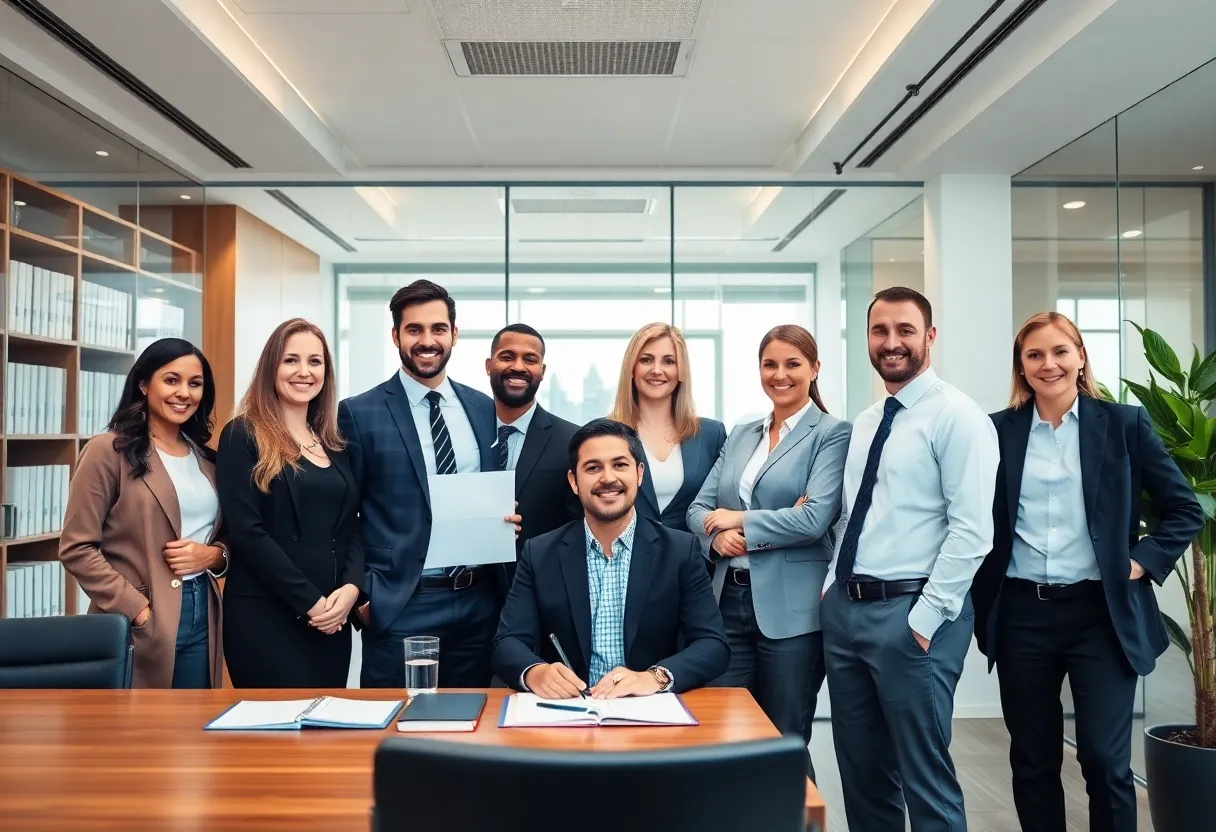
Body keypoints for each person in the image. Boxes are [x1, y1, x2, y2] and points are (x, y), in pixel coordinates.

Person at [972, 312, 1202, 832]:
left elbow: (1184, 509)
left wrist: (1142, 561)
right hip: (1020, 615)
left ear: (1080, 358)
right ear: (1021, 367)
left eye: (1059, 351)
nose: (1048, 364)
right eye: (1034, 355)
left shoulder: (1123, 424)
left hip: (1102, 614)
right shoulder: (994, 431)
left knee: (1103, 757)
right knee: (1032, 761)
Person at [820, 286, 999, 832]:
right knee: (862, 773)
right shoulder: (871, 419)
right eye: (880, 331)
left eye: (904, 331)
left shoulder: (957, 416)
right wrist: (831, 587)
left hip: (913, 611)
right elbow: (855, 514)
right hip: (848, 612)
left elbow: (973, 532)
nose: (892, 343)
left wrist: (923, 620)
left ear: (929, 337)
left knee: (925, 776)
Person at [339, 279, 521, 689]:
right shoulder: (359, 412)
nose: (427, 341)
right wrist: (365, 598)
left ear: (454, 335)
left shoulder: (482, 407)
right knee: (396, 728)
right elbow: (343, 514)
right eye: (414, 329)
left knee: (473, 729)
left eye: (438, 329)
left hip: (478, 601)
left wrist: (504, 517)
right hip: (402, 601)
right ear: (395, 336)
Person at [686, 325, 850, 779]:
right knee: (724, 735)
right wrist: (715, 536)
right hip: (728, 602)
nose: (780, 375)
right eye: (770, 364)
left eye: (793, 364)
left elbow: (815, 519)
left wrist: (738, 519)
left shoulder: (832, 434)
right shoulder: (742, 434)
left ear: (814, 369)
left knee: (784, 738)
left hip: (792, 611)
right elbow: (699, 509)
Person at [492, 418, 729, 698]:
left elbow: (713, 645)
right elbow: (507, 643)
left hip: (649, 712)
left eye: (620, 465)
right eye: (593, 468)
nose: (608, 478)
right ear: (574, 481)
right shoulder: (541, 553)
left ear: (639, 474)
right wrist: (535, 671)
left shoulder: (679, 550)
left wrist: (656, 677)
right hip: (568, 713)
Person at [60, 338, 227, 689]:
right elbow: (77, 548)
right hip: (139, 612)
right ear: (143, 384)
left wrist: (214, 556)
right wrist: (138, 609)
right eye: (171, 380)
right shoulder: (109, 450)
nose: (184, 393)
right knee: (138, 733)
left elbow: (221, 537)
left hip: (202, 611)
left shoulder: (206, 459)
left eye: (195, 384)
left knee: (192, 731)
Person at [216, 318, 364, 688]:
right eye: (291, 360)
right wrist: (310, 603)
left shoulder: (333, 442)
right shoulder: (242, 434)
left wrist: (351, 589)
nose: (304, 372)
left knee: (325, 734)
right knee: (275, 740)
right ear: (271, 367)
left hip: (332, 619)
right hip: (267, 616)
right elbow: (247, 533)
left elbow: (352, 525)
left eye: (315, 362)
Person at [610, 323, 726, 535]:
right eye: (646, 360)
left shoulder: (711, 434)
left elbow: (724, 503)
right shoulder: (604, 434)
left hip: (693, 562)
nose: (657, 370)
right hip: (623, 561)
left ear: (681, 371)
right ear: (632, 368)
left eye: (668, 361)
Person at [485, 323, 582, 547]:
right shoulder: (464, 433)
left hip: (540, 576)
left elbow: (579, 526)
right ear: (489, 366)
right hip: (469, 577)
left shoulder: (572, 440)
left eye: (530, 359)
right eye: (507, 357)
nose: (518, 367)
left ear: (542, 371)